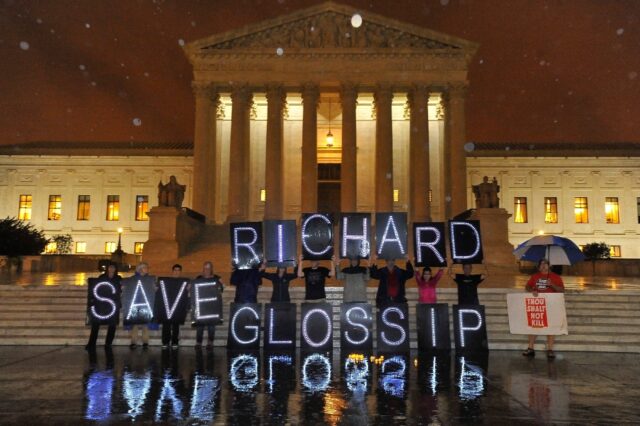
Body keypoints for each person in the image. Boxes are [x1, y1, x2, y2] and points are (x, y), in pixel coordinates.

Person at [523, 258, 564, 359]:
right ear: (539, 267)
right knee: (534, 325)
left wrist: (552, 285)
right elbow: (527, 287)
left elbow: (562, 290)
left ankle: (550, 349)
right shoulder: (535, 276)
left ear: (549, 266)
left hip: (551, 304)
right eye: (541, 264)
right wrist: (532, 290)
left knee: (551, 326)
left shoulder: (556, 277)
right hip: (538, 305)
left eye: (545, 263)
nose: (543, 265)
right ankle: (530, 348)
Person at [85, 262, 122, 350]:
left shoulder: (118, 278)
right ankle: (91, 343)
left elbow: (122, 288)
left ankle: (108, 343)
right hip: (101, 304)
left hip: (113, 304)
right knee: (96, 324)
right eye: (110, 267)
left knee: (112, 325)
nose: (111, 269)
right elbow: (95, 286)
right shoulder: (101, 277)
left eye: (113, 267)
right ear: (107, 268)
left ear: (115, 269)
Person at [194, 261, 224, 350]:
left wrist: (221, 284)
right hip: (201, 306)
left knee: (211, 326)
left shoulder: (216, 278)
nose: (206, 270)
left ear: (211, 269)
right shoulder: (198, 278)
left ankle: (210, 342)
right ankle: (198, 342)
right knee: (200, 326)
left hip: (212, 306)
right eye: (205, 268)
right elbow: (194, 290)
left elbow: (221, 290)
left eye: (208, 268)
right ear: (203, 269)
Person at [127, 262, 153, 349]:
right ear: (140, 269)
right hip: (136, 302)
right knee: (135, 324)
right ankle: (134, 341)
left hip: (146, 302)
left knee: (145, 323)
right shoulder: (133, 279)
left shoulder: (149, 279)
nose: (147, 269)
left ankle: (145, 342)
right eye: (145, 267)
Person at [161, 264, 184, 350]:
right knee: (166, 325)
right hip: (167, 306)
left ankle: (175, 341)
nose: (177, 272)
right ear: (172, 271)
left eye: (178, 270)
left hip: (177, 307)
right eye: (175, 270)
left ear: (180, 272)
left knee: (176, 325)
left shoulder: (183, 282)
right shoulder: (166, 281)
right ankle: (165, 342)